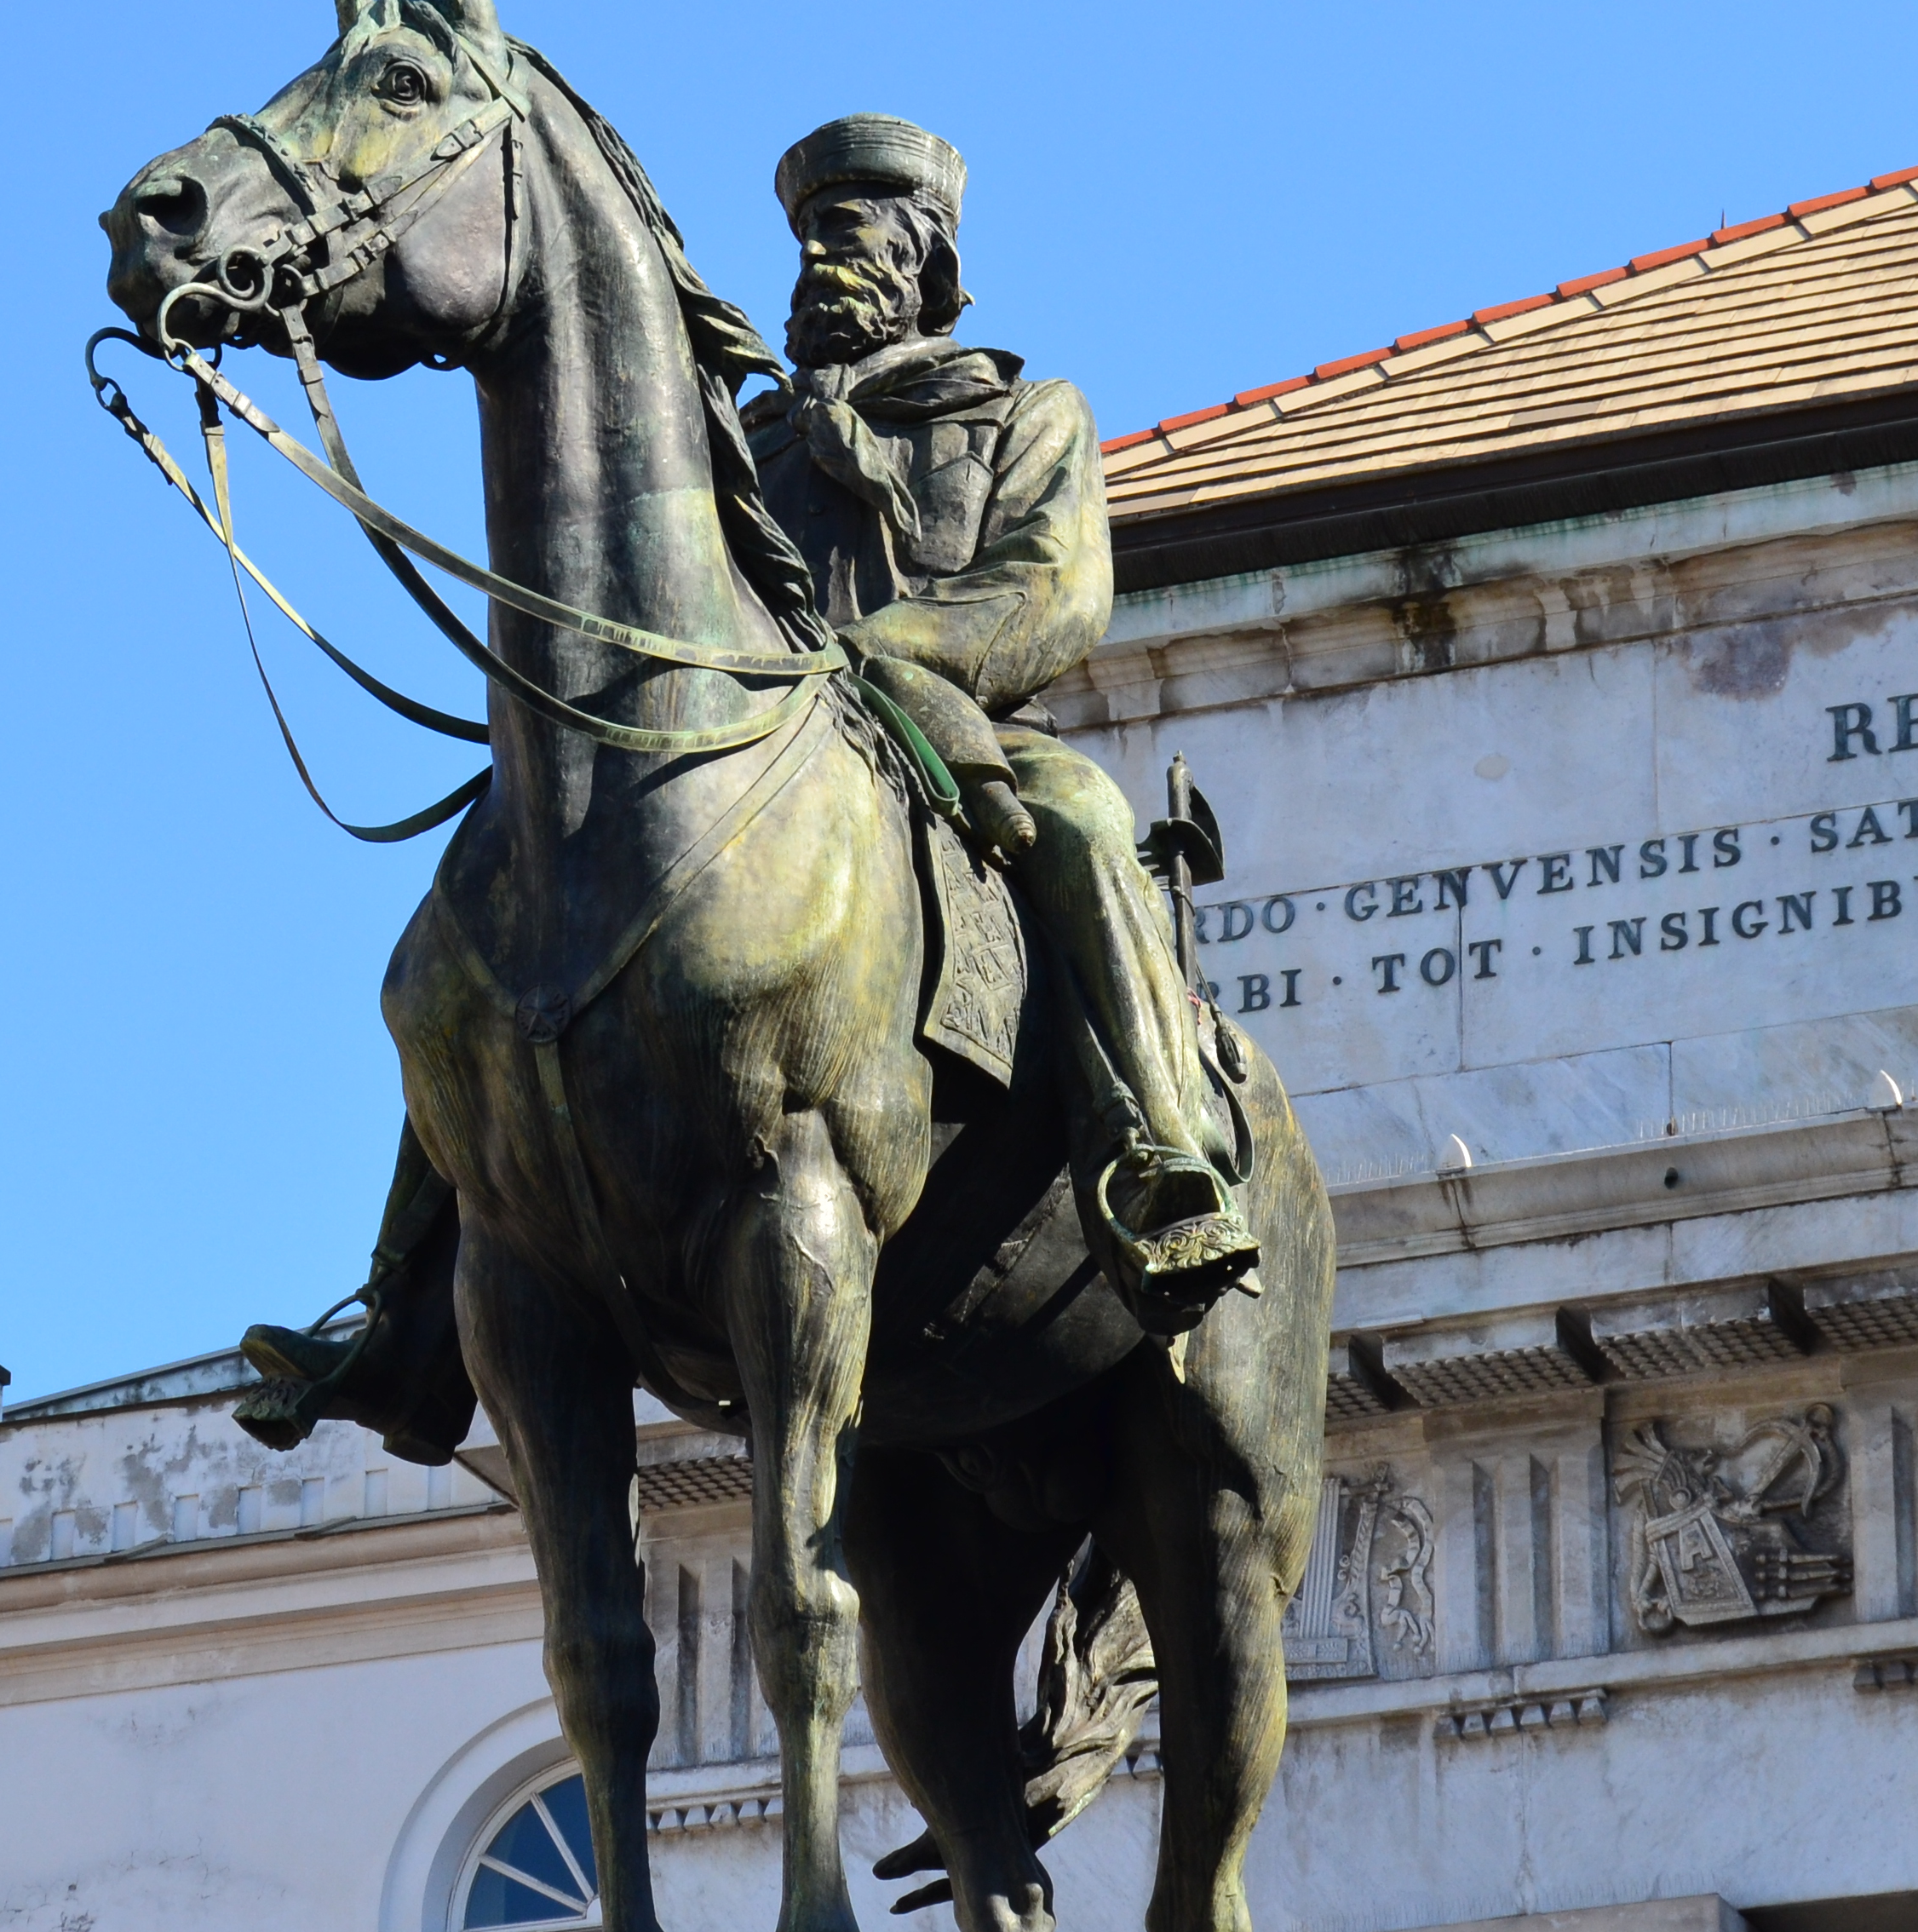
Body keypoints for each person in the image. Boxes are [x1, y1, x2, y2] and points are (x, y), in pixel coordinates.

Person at [237, 114, 1253, 1459]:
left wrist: (870, 649)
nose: (823, 260)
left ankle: (1159, 1156)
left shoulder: (1021, 416)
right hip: (759, 767)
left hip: (950, 730)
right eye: (810, 237)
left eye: (855, 234)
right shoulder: (740, 440)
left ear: (927, 261)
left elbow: (1053, 594)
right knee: (501, 913)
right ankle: (401, 1316)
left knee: (1082, 824)